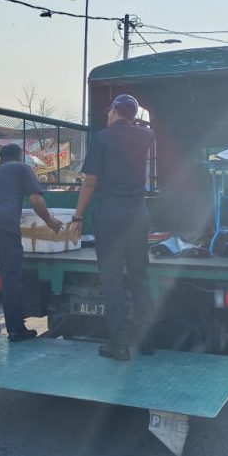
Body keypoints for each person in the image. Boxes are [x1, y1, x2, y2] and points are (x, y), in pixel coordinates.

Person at [71, 94, 157, 361]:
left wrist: (77, 217)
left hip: (111, 213)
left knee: (111, 280)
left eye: (110, 111)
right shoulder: (147, 136)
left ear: (116, 111)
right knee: (139, 277)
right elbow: (145, 130)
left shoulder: (102, 138)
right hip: (138, 213)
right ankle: (146, 342)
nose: (107, 115)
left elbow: (90, 182)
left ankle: (118, 345)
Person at [0, 143, 63, 342]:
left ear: (0, 158)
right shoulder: (22, 168)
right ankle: (16, 330)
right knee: (10, 276)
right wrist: (50, 221)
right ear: (19, 156)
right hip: (4, 225)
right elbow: (36, 200)